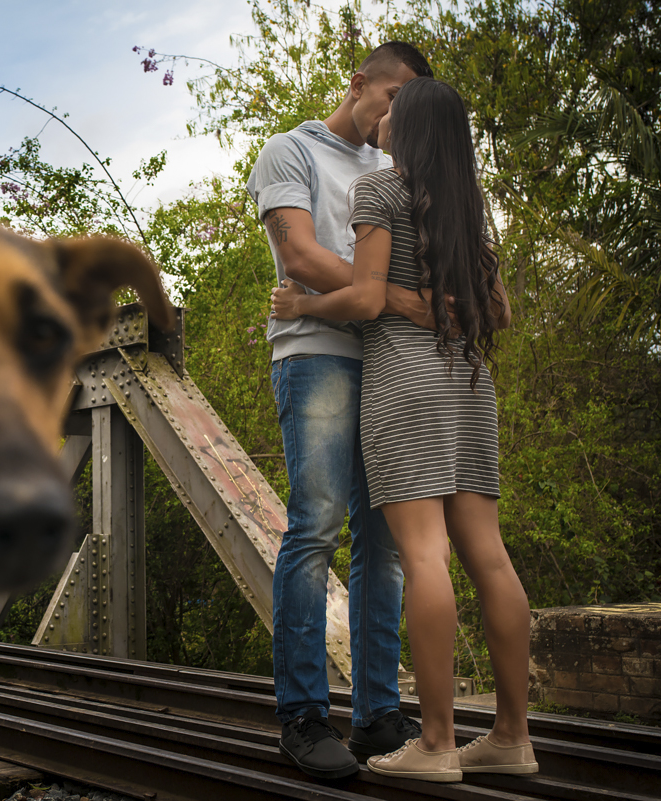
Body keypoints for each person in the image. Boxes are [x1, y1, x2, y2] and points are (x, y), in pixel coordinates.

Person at [270, 76, 537, 783]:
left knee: (422, 556)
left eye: (397, 112)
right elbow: (499, 312)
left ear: (410, 128)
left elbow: (360, 296)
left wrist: (301, 299)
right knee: (492, 556)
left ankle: (438, 741)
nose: (385, 119)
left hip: (407, 383)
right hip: (471, 383)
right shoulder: (469, 206)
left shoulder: (382, 192)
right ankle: (513, 734)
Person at [245, 42, 436, 780]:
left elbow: (401, 268)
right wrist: (384, 296)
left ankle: (376, 713)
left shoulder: (394, 172)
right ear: (358, 84)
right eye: (389, 99)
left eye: (406, 108)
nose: (394, 117)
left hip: (387, 363)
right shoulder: (289, 151)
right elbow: (298, 255)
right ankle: (301, 714)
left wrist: (367, 294)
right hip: (315, 354)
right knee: (317, 523)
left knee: (385, 540)